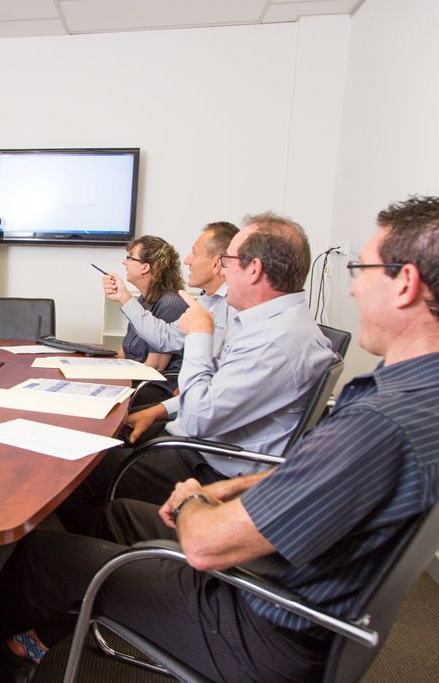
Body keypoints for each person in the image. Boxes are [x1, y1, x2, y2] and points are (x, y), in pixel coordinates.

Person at [0, 195, 439, 682]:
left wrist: (196, 497)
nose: (352, 290)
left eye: (361, 269)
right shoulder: (438, 397)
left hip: (257, 623)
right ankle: (35, 639)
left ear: (406, 283)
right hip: (292, 594)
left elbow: (203, 544)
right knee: (114, 515)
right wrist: (226, 490)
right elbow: (319, 481)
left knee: (41, 557)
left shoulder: (382, 422)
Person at [57, 213, 336, 534]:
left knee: (79, 473)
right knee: (93, 462)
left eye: (228, 260)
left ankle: (76, 559)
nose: (223, 269)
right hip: (211, 452)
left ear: (254, 269)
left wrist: (200, 335)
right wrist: (159, 410)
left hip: (216, 471)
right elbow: (221, 392)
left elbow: (197, 419)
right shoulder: (275, 324)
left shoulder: (274, 342)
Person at [104, 221, 239, 419]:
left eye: (194, 253)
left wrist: (183, 394)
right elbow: (166, 338)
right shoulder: (204, 302)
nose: (187, 261)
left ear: (217, 263)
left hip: (192, 413)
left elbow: (215, 393)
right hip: (188, 405)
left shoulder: (232, 308)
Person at [106, 235, 187, 397]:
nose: (124, 262)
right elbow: (124, 351)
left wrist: (110, 375)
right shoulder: (143, 299)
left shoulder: (171, 303)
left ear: (145, 267)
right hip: (135, 378)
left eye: (129, 258)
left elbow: (154, 367)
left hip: (154, 387)